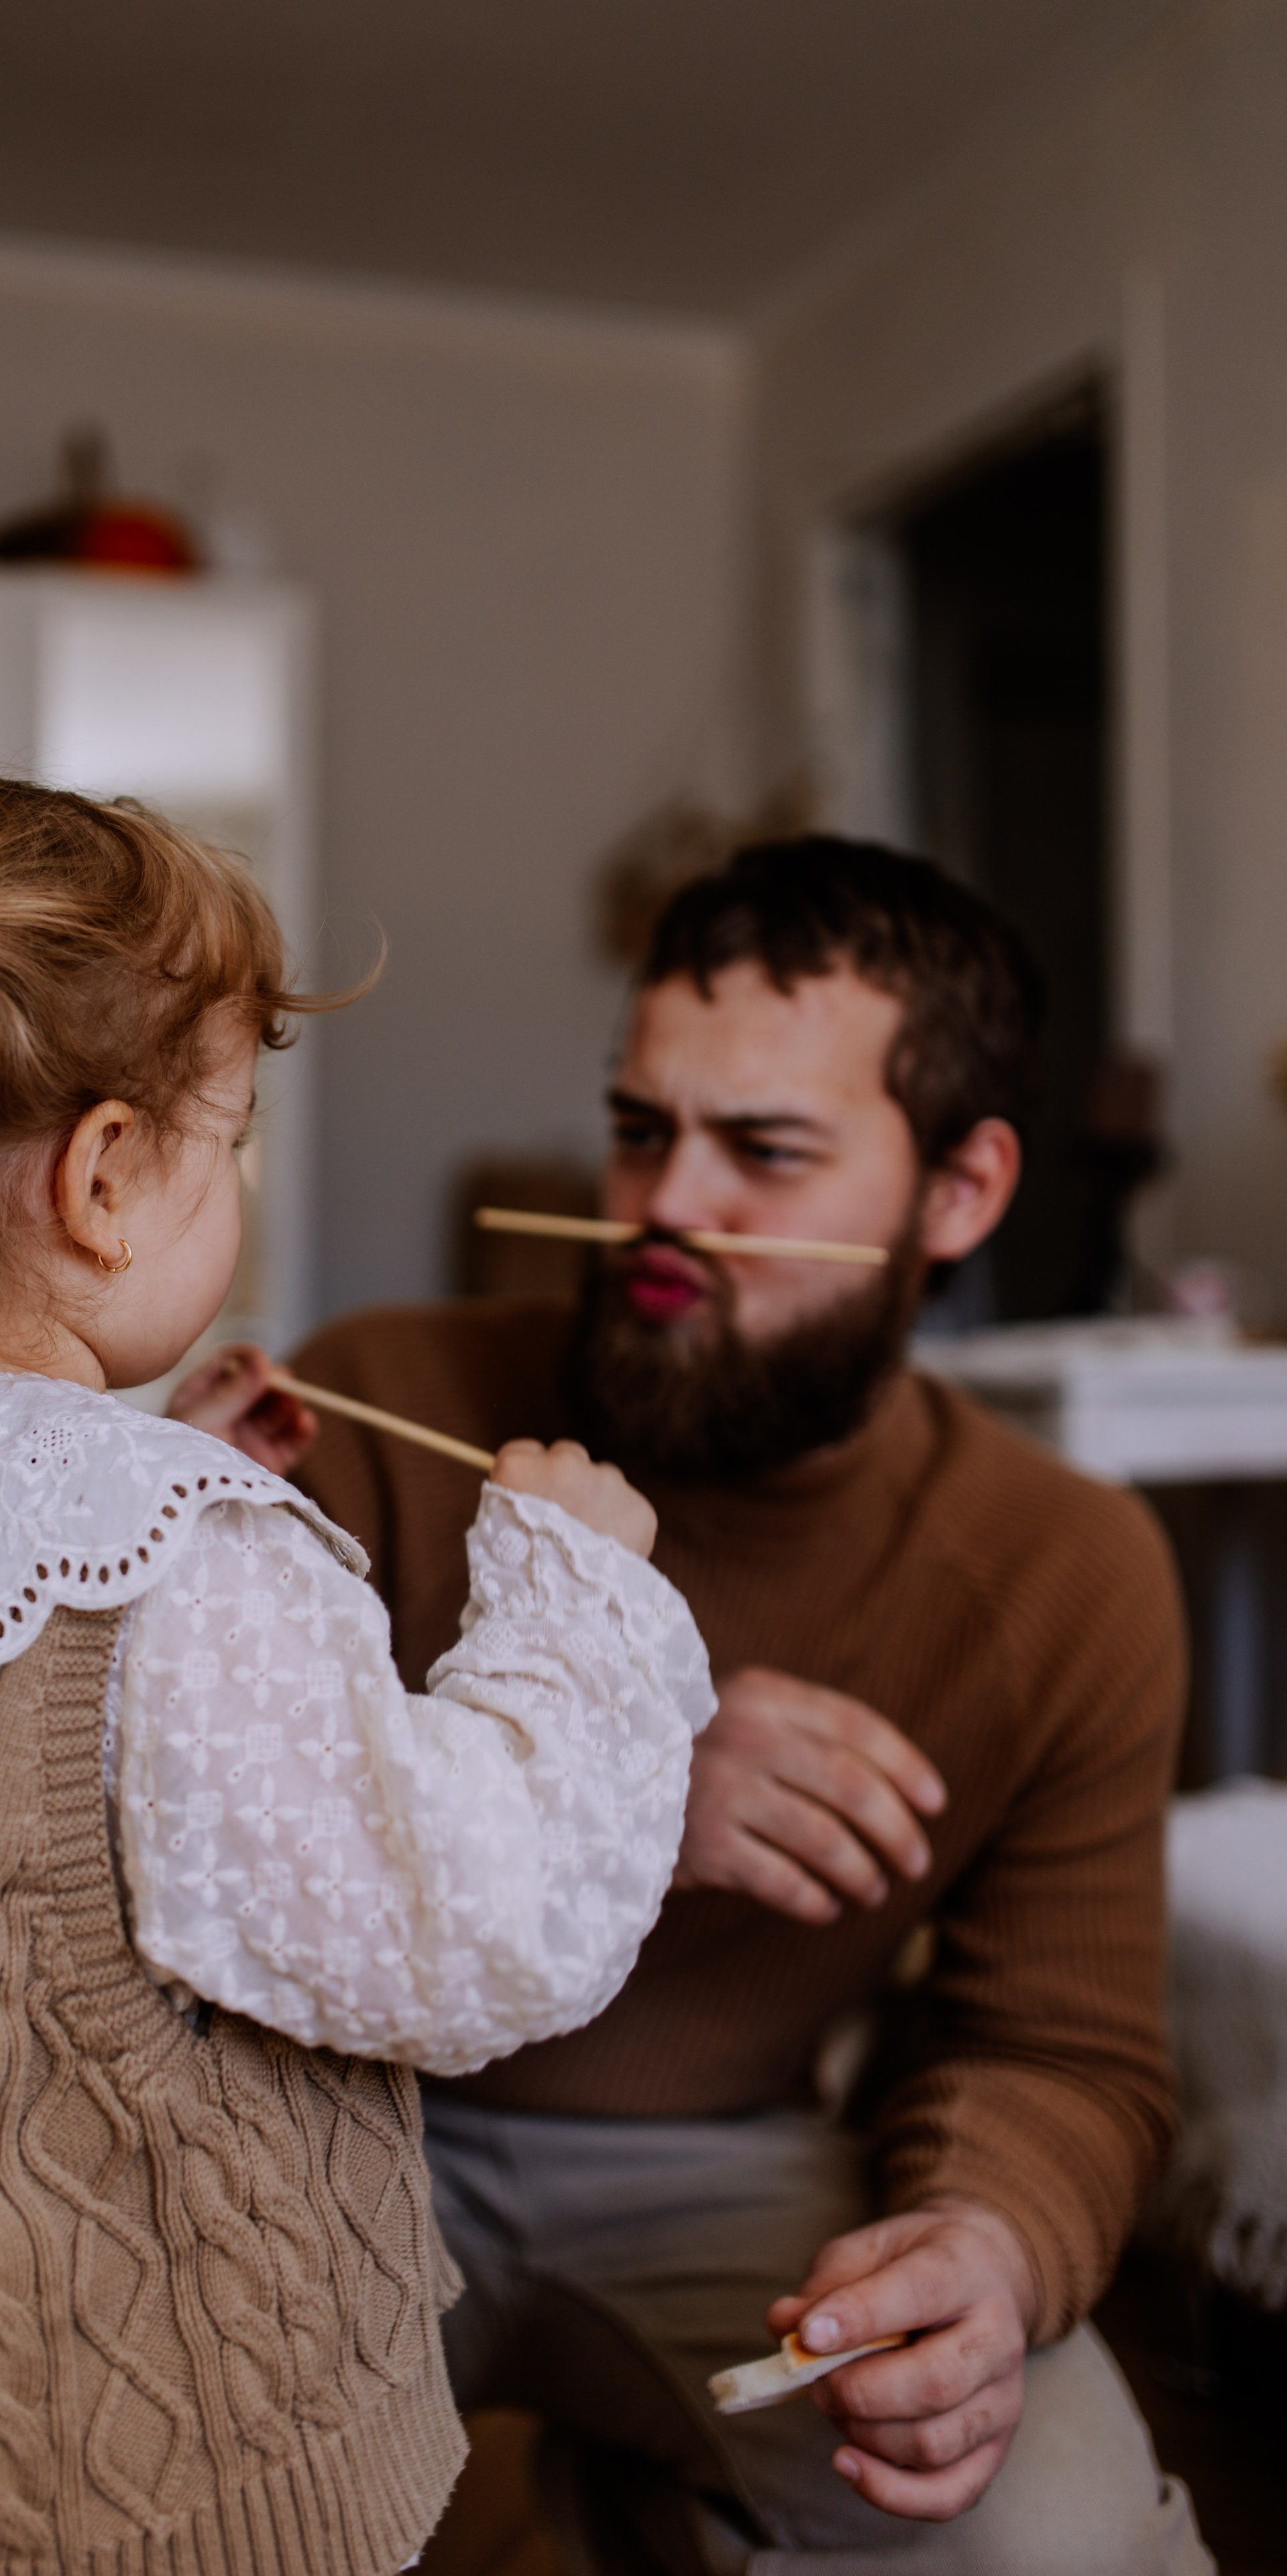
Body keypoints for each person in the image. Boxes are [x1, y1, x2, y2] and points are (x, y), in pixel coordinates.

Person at [0, 763, 716, 2576]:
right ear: (105, 1177)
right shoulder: (185, 1561)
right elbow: (480, 1910)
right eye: (231, 1128)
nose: (240, 1174)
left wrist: (167, 1451)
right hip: (158, 2496)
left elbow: (7, 1820)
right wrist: (576, 1596)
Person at [188, 838, 1211, 2575]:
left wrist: (990, 2238)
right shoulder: (371, 1398)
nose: (665, 1207)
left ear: (959, 1193)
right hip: (324, 2131)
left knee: (1063, 2542)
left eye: (768, 1150)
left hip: (725, 2165)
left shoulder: (1070, 1567)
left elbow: (1061, 2045)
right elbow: (192, 1849)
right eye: (642, 1128)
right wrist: (620, 1778)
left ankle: (640, 2487)